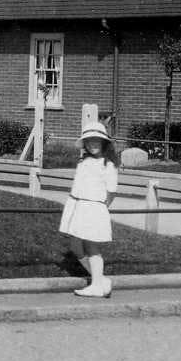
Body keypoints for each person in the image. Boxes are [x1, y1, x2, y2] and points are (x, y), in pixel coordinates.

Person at [60, 121, 119, 298]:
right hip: (77, 205)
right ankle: (100, 280)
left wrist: (101, 206)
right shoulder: (83, 162)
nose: (93, 144)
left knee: (92, 247)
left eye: (97, 141)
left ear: (104, 143)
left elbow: (112, 191)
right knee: (74, 244)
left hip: (93, 207)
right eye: (89, 141)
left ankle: (96, 285)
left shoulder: (107, 164)